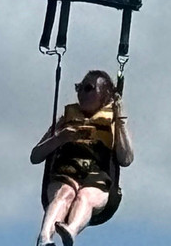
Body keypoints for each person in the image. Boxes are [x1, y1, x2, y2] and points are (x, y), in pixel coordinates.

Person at [31, 70, 134, 246]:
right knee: (65, 193)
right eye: (79, 87)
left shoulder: (113, 122)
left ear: (105, 94)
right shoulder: (65, 121)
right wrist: (60, 137)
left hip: (96, 178)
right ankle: (44, 238)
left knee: (85, 196)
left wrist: (120, 121)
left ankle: (71, 230)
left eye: (88, 88)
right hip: (65, 173)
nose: (81, 93)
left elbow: (126, 159)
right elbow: (36, 156)